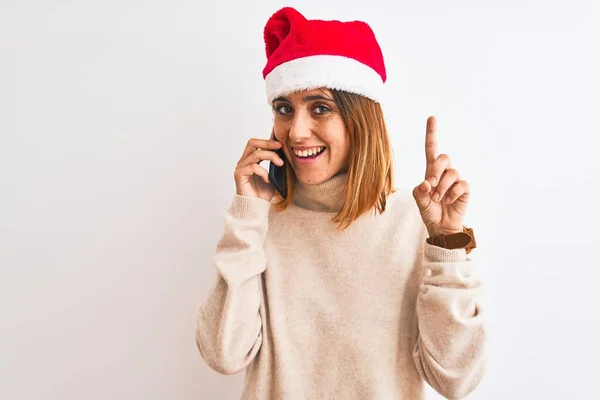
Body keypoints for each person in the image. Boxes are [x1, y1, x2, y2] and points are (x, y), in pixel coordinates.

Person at [195, 6, 487, 400]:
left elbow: (456, 379)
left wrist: (448, 242)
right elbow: (223, 354)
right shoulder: (262, 220)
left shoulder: (415, 221)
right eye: (284, 108)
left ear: (359, 119)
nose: (296, 131)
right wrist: (246, 219)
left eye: (320, 107)